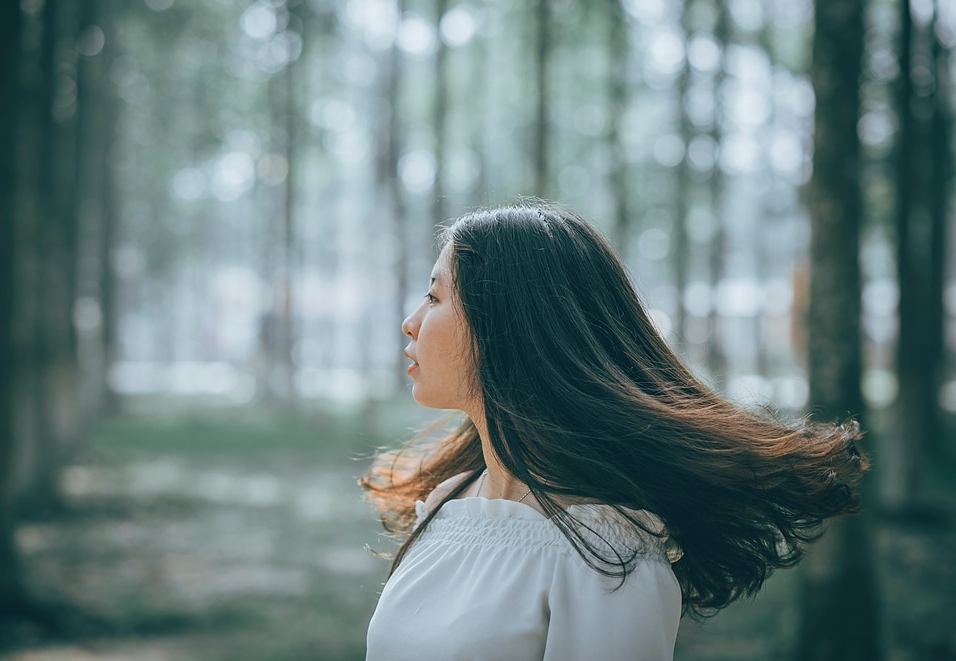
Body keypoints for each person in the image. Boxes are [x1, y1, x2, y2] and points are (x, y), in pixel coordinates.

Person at [361, 201, 868, 660]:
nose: (410, 322)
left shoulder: (606, 559)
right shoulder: (448, 503)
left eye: (434, 297)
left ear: (510, 324)